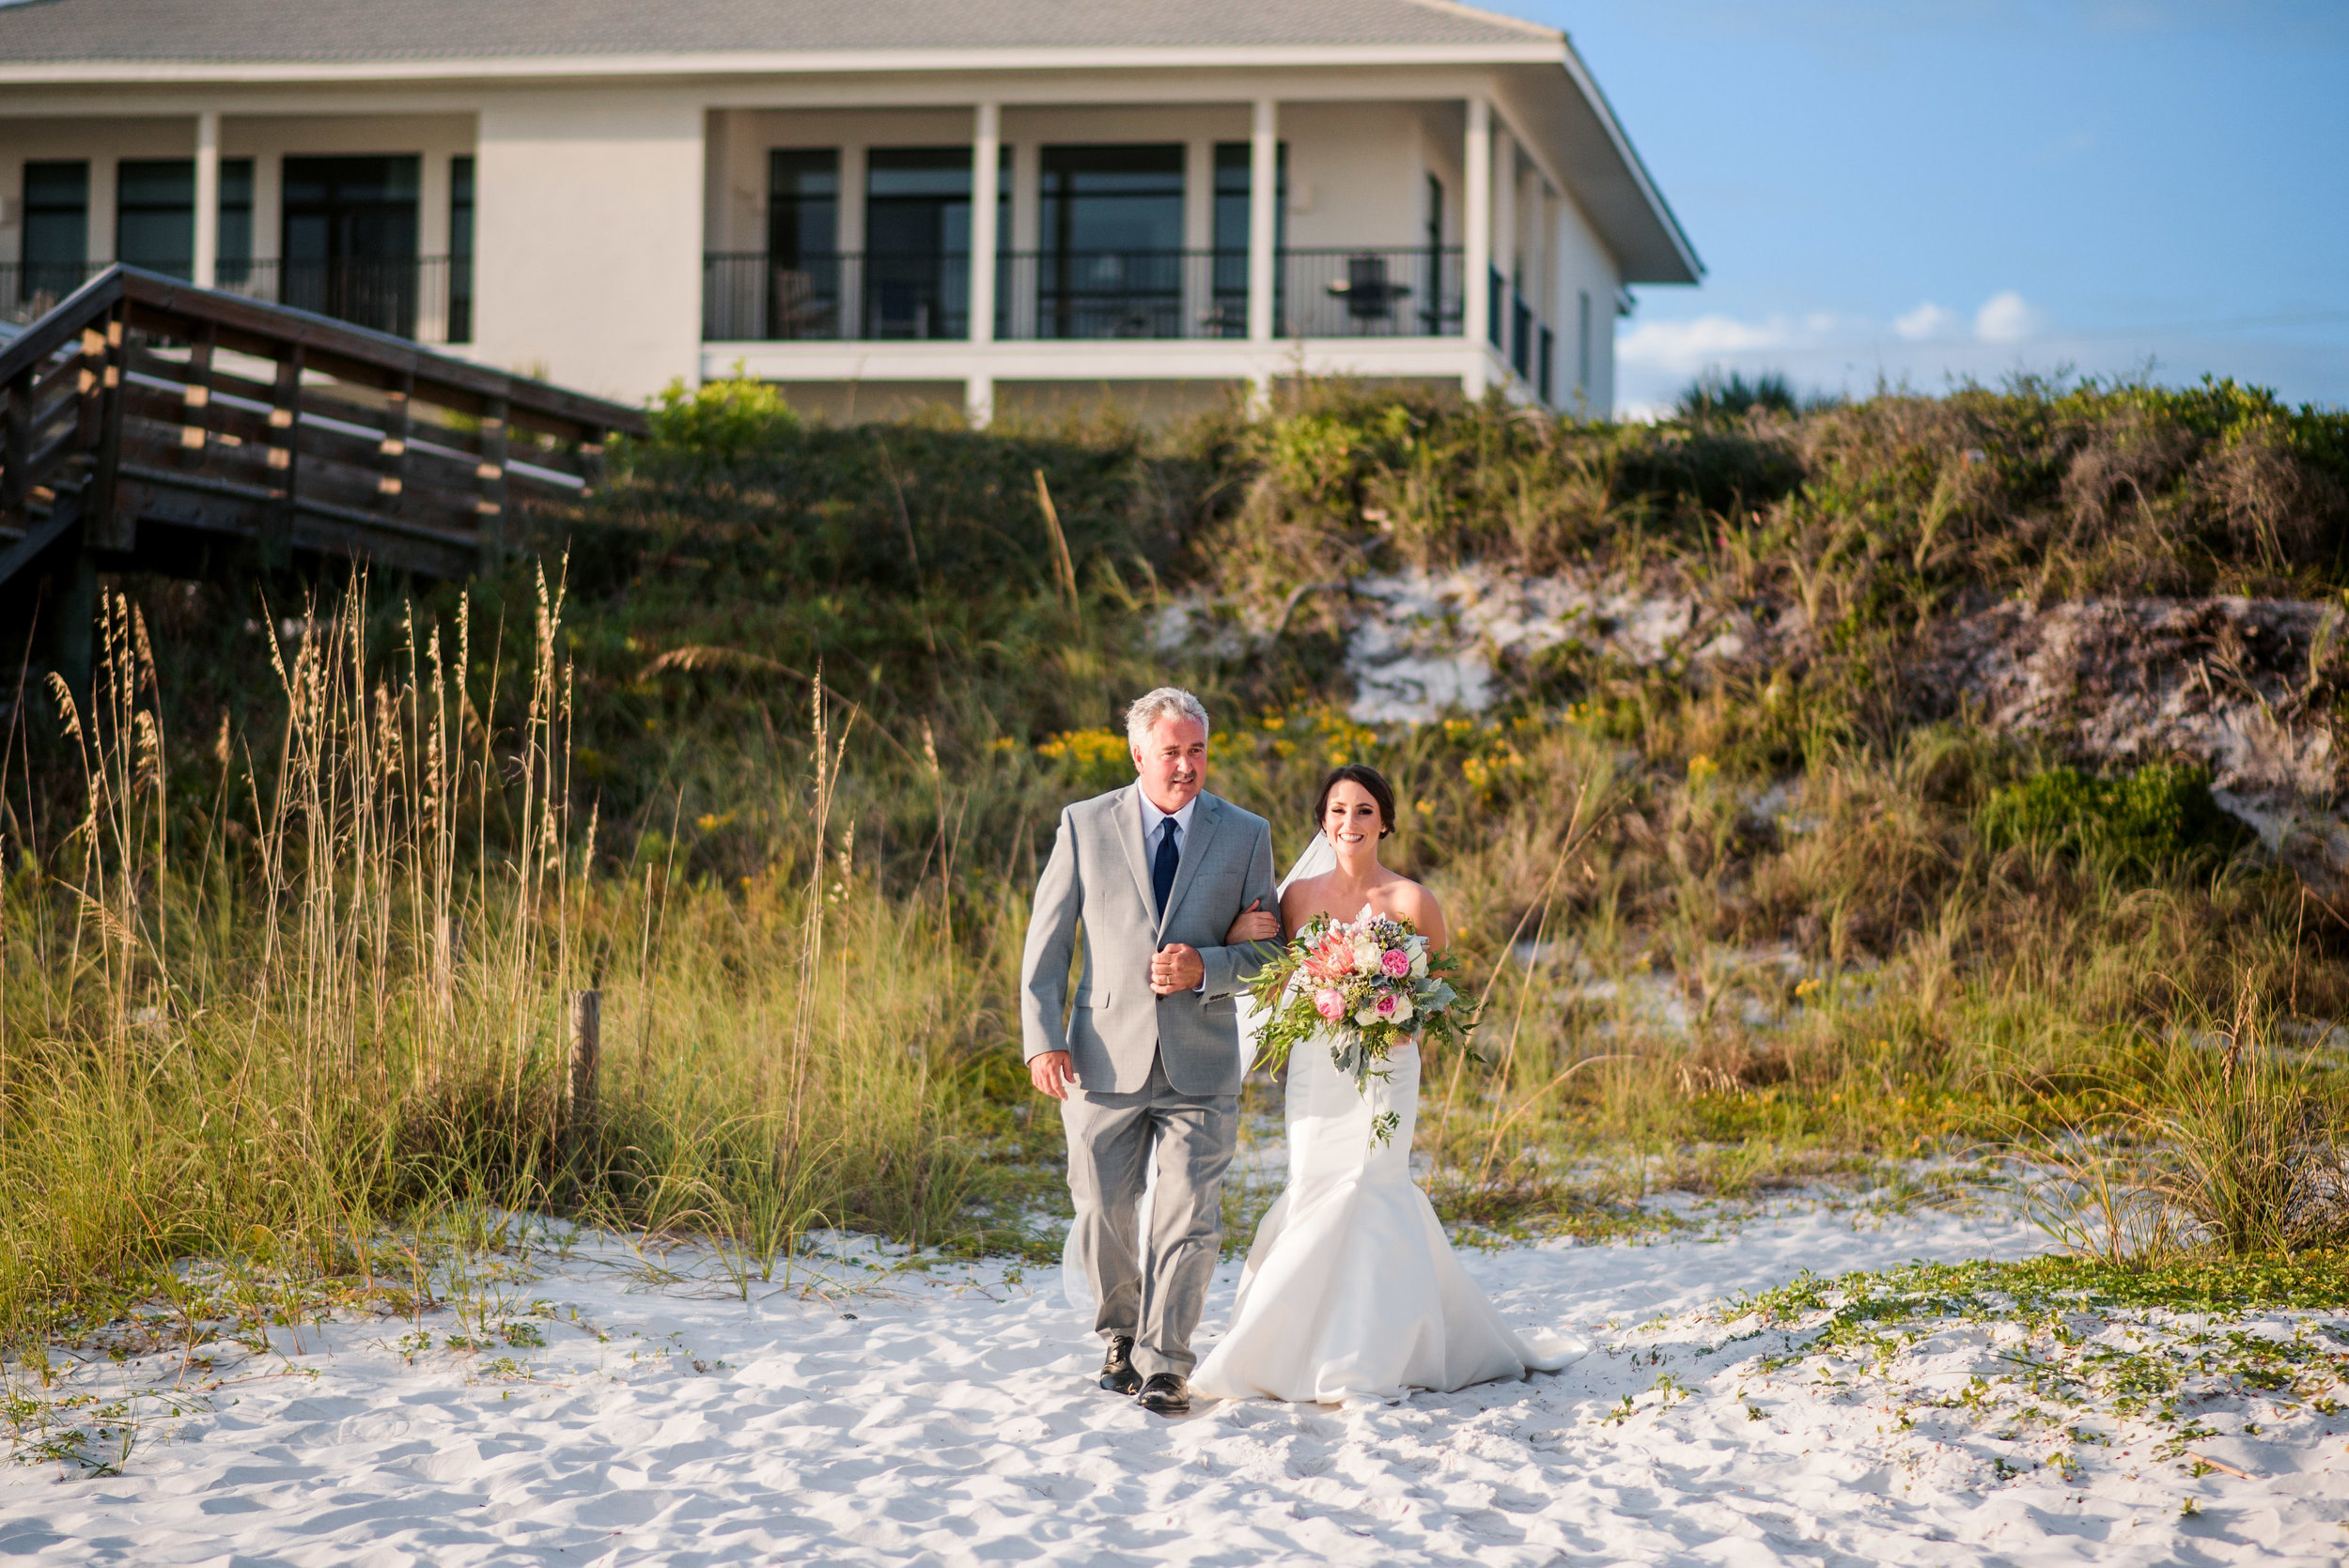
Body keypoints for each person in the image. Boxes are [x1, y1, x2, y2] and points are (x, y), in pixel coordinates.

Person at [1190, 763, 1585, 1405]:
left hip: (1388, 1066)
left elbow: (1435, 996)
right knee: (1317, 1183)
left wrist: (1395, 1015)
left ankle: (1371, 1354)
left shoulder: (1413, 901)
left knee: (1375, 1183)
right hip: (1318, 1066)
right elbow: (1275, 976)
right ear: (1322, 820)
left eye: (1365, 810)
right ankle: (1290, 1346)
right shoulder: (1297, 898)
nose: (1350, 823)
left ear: (1386, 821)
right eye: (1339, 810)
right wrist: (1243, 940)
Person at [1019, 688, 1281, 1416]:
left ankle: (1167, 1362)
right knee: (1102, 1206)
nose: (1186, 766)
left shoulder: (1246, 833)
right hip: (1101, 1056)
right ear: (1139, 754)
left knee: (1189, 1214)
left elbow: (1272, 951)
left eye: (1197, 750)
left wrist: (1207, 966)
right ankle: (1120, 1333)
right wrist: (1042, 1040)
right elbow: (1048, 944)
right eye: (1171, 752)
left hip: (1201, 1059)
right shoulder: (1083, 824)